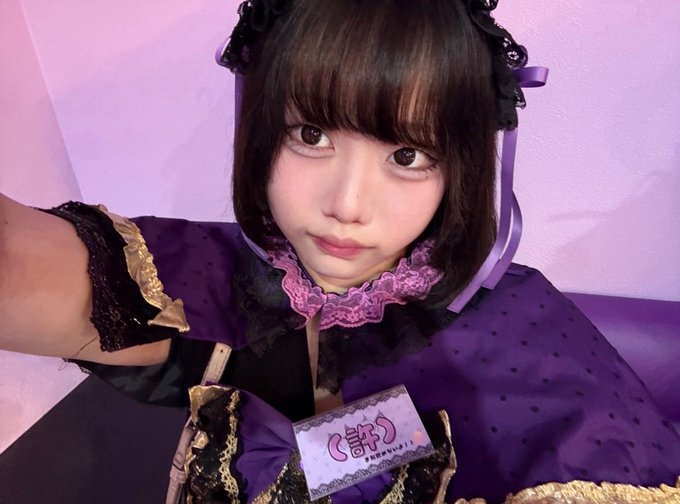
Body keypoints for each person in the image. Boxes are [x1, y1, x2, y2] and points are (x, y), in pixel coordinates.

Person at [1, 0, 679, 502]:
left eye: (407, 155)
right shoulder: (236, 268)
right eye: (311, 135)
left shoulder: (527, 333)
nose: (348, 205)